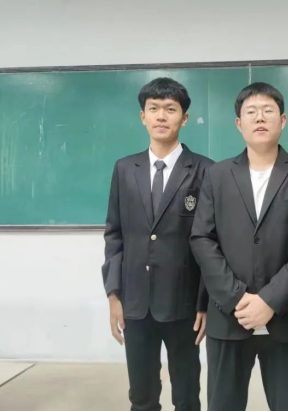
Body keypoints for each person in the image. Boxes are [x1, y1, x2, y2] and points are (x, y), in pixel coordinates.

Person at [190, 82, 288, 411]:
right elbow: (202, 238)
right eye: (251, 112)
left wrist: (270, 300)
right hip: (229, 316)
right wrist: (237, 297)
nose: (260, 117)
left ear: (283, 120)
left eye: (268, 110)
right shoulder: (217, 175)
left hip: (287, 318)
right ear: (239, 123)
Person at [102, 77, 213, 411]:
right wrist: (113, 295)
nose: (161, 116)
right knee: (142, 395)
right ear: (143, 116)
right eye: (154, 109)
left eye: (170, 109)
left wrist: (205, 302)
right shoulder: (125, 168)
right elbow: (114, 234)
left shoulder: (206, 170)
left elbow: (212, 242)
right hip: (135, 302)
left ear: (184, 118)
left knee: (187, 395)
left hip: (184, 304)